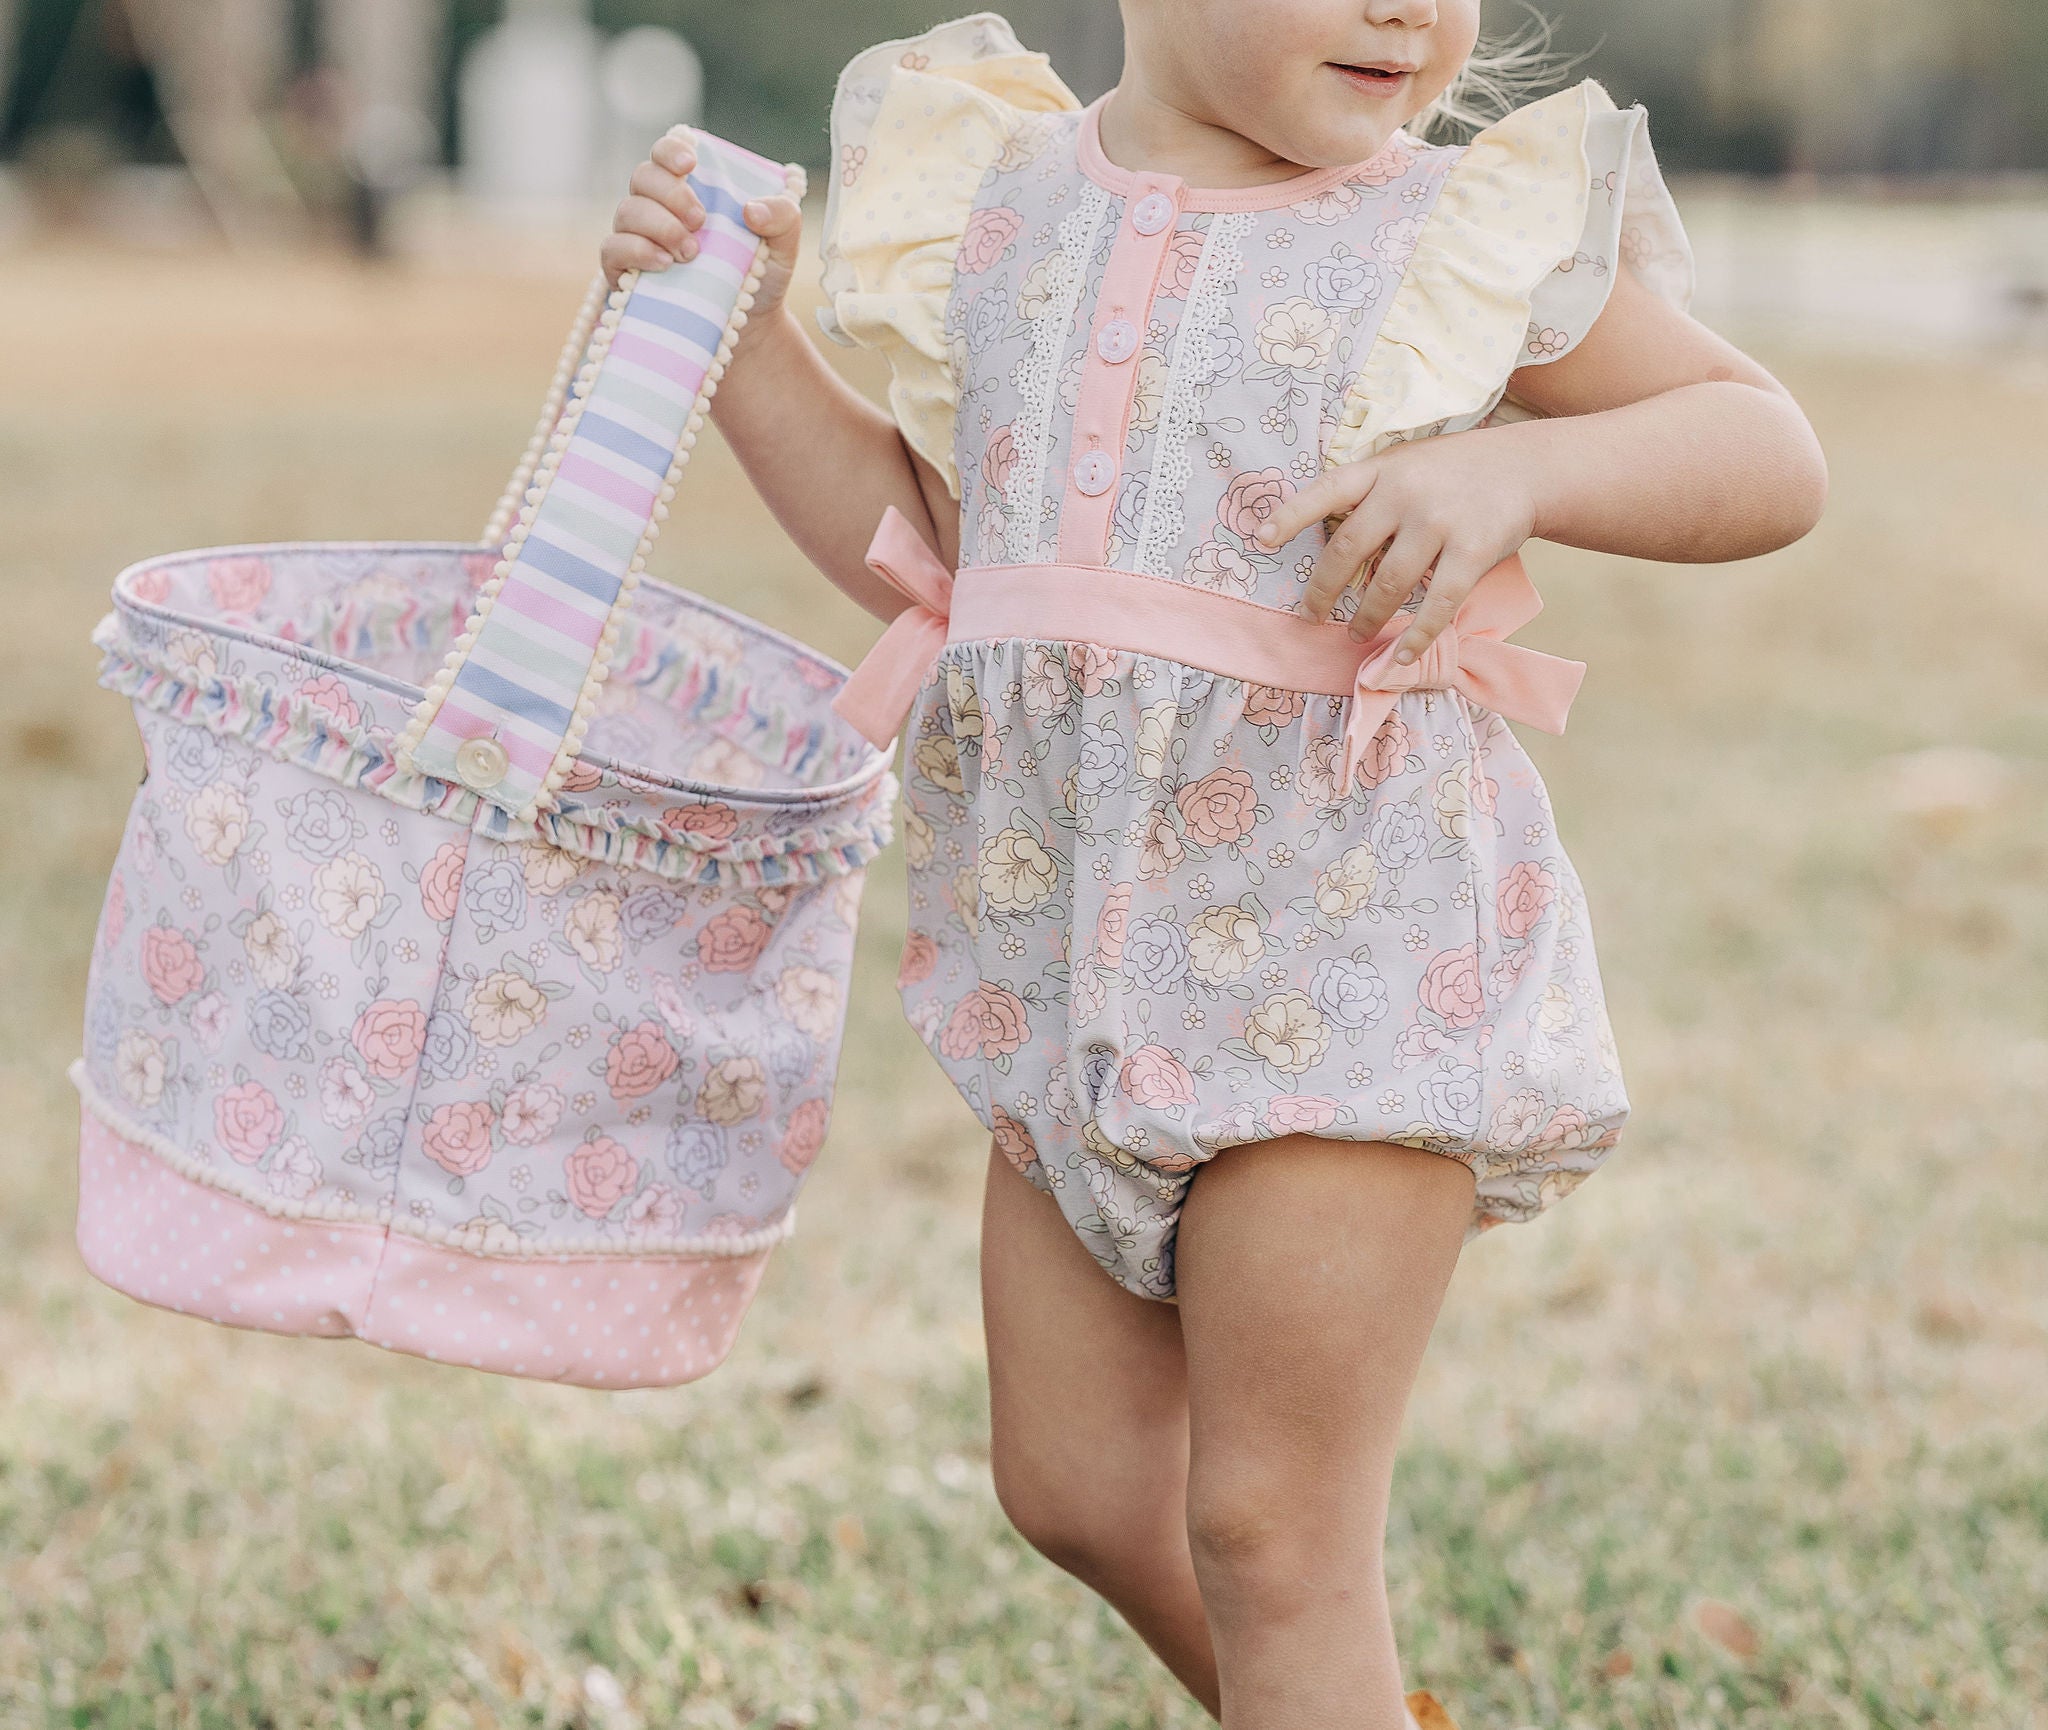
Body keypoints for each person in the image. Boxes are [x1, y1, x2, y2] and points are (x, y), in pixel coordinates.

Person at [602, 4, 1827, 1723]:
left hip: (1346, 954)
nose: (1409, 8)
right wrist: (736, 340)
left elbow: (1768, 447)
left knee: (1273, 1530)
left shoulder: (1443, 232)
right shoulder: (1006, 203)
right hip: (1072, 964)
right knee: (1079, 1485)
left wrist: (1525, 465)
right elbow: (946, 558)